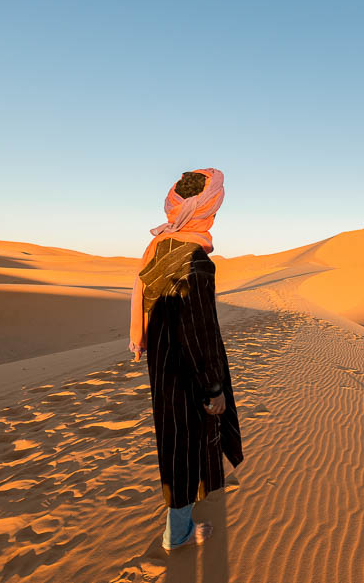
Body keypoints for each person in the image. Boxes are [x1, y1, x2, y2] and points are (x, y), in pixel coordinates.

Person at [129, 168, 244, 552]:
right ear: (204, 211)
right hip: (189, 374)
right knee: (187, 449)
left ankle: (180, 526)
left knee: (176, 445)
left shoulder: (160, 249)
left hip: (164, 368)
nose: (215, 215)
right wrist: (213, 387)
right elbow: (199, 329)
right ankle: (176, 534)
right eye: (214, 208)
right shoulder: (194, 260)